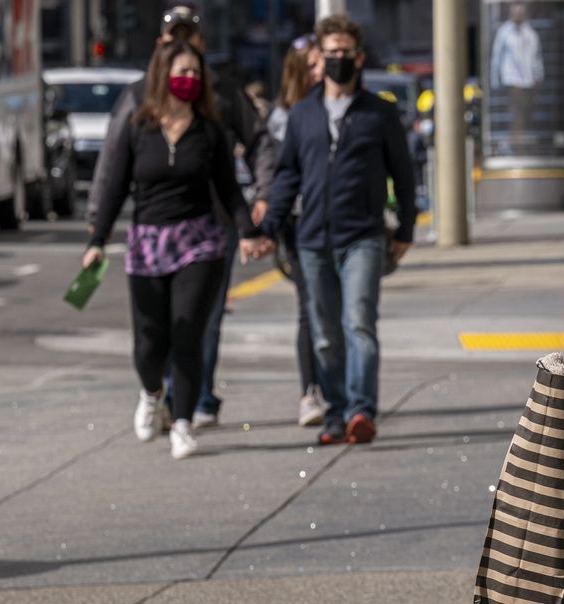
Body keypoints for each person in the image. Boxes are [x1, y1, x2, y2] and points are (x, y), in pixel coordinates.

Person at [88, 5, 279, 429]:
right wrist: (97, 225)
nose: (183, 48)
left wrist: (260, 202)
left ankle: (192, 404)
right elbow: (113, 163)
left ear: (203, 44)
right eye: (174, 38)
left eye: (190, 37)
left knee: (197, 323)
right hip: (153, 232)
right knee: (155, 333)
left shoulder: (223, 94)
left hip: (212, 230)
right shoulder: (138, 99)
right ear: (160, 46)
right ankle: (158, 392)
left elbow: (260, 145)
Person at [259, 14, 418, 446]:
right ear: (321, 57)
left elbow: (403, 176)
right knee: (325, 334)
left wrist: (405, 229)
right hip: (311, 239)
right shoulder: (302, 114)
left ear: (358, 57)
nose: (337, 60)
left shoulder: (379, 113)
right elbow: (287, 176)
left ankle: (360, 410)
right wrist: (268, 227)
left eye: (344, 53)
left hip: (363, 235)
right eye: (330, 54)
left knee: (359, 324)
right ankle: (333, 412)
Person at [259, 33, 328, 427]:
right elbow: (278, 174)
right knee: (310, 306)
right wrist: (268, 220)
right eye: (313, 65)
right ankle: (311, 391)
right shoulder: (286, 117)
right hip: (300, 221)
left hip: (340, 220)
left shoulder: (344, 107)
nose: (321, 72)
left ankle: (342, 389)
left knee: (341, 311)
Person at [489, 2, 543, 153]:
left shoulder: (530, 33)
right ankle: (516, 144)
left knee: (524, 113)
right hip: (511, 79)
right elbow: (496, 57)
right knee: (516, 112)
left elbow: (536, 57)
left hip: (528, 80)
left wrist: (538, 75)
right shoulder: (504, 32)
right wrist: (495, 80)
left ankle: (519, 141)